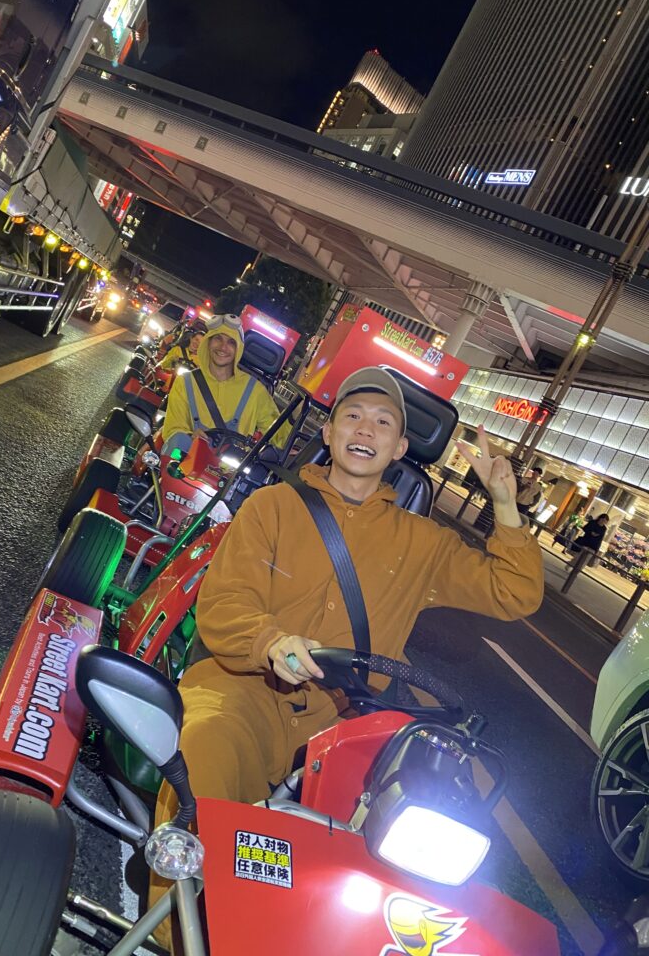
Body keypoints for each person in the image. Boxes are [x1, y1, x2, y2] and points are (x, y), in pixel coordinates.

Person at [149, 366, 544, 948]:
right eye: (353, 416)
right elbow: (226, 602)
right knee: (204, 753)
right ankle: (175, 935)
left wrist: (505, 504)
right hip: (246, 691)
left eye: (384, 422)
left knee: (412, 839)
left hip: (346, 721)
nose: (367, 429)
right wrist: (271, 642)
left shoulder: (423, 542)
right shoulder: (274, 506)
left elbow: (516, 592)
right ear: (330, 433)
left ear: (400, 449)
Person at [160, 313, 291, 454]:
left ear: (238, 349)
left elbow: (279, 433)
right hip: (185, 461)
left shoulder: (255, 391)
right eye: (218, 338)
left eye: (231, 342)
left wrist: (305, 447)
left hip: (229, 473)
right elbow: (172, 428)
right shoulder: (185, 382)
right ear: (208, 342)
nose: (223, 347)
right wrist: (189, 435)